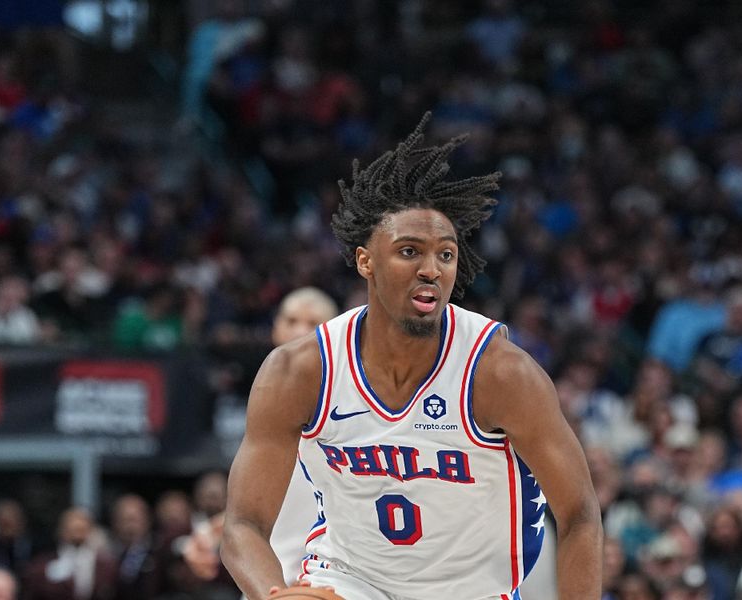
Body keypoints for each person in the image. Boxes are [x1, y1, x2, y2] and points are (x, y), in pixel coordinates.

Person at [220, 113, 603, 599]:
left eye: (445, 254)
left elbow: (580, 514)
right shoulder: (299, 371)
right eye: (409, 251)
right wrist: (272, 594)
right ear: (366, 261)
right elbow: (244, 525)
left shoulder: (500, 373)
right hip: (348, 582)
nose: (431, 269)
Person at [183, 287, 339, 585]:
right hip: (266, 579)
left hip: (326, 581)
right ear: (275, 329)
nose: (299, 331)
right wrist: (217, 529)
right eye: (291, 321)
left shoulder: (351, 407)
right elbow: (273, 503)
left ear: (333, 333)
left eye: (312, 323)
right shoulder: (266, 404)